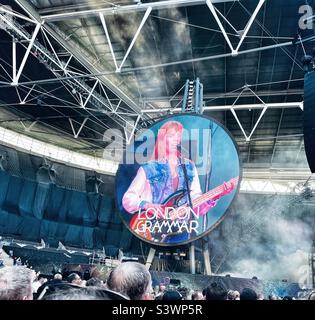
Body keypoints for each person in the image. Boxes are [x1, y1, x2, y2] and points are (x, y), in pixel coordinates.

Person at [122, 120, 234, 243]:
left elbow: (196, 206)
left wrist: (217, 194)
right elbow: (128, 199)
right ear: (162, 139)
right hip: (153, 228)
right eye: (171, 136)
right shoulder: (149, 168)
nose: (176, 139)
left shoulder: (189, 167)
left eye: (178, 136)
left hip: (182, 230)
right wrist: (147, 205)